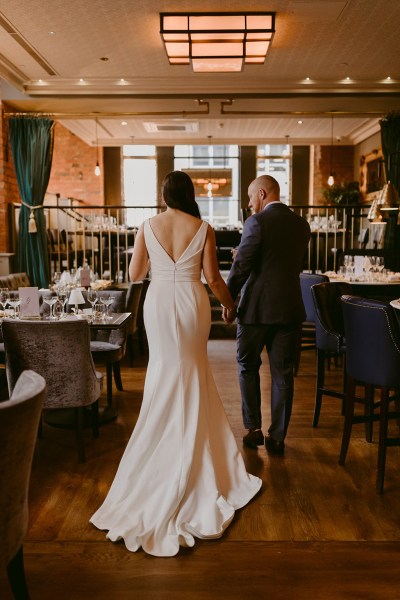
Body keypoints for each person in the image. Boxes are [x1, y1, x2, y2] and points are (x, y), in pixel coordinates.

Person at [90, 171, 261, 557]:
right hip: (191, 303)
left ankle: (162, 445)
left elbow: (134, 275)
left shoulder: (148, 225)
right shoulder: (203, 227)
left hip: (159, 302)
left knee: (164, 370)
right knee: (193, 370)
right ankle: (195, 448)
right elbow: (213, 278)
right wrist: (229, 302)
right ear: (190, 194)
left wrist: (153, 260)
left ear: (164, 195)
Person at [223, 175, 311, 455]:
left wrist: (229, 298)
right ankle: (277, 437)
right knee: (283, 375)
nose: (250, 205)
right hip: (289, 309)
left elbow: (243, 267)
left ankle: (254, 429)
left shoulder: (256, 222)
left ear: (262, 193)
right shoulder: (301, 224)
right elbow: (284, 261)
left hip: (256, 310)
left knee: (247, 367)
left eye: (251, 199)